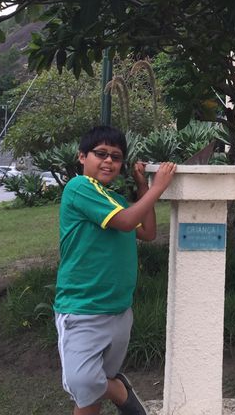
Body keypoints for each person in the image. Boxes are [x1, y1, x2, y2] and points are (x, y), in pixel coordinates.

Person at [54, 125, 176, 415]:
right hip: (82, 308)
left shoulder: (116, 201)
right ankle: (120, 391)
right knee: (83, 381)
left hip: (119, 309)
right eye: (101, 154)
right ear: (82, 157)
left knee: (90, 394)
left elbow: (147, 232)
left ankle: (114, 387)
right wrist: (159, 187)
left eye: (116, 157)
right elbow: (124, 222)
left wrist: (144, 187)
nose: (108, 161)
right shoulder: (78, 188)